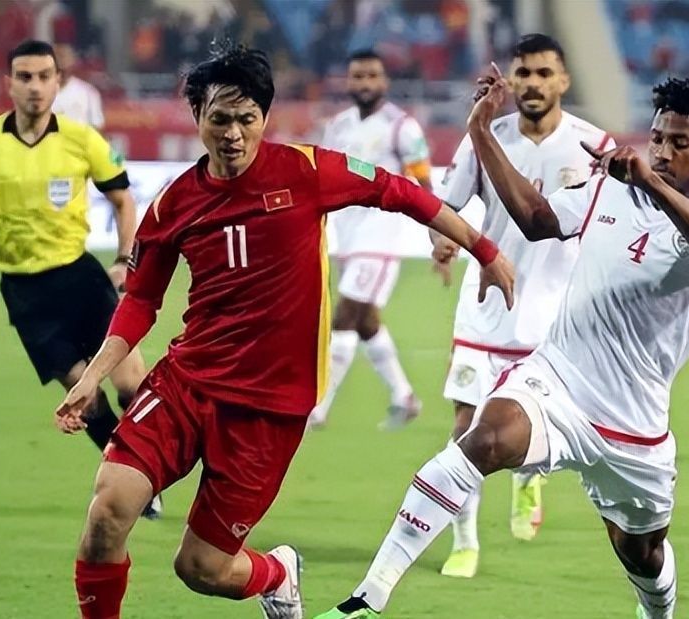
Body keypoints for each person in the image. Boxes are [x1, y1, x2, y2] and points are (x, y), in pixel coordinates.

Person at [55, 44, 514, 619]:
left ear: (264, 119)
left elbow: (399, 192)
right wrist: (95, 376)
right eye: (219, 118)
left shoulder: (308, 170)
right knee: (106, 512)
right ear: (197, 116)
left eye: (247, 119)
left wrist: (487, 250)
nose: (233, 134)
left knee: (201, 569)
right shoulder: (173, 203)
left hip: (268, 409)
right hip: (186, 383)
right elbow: (141, 300)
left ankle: (276, 573)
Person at [316, 73, 689, 619]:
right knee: (484, 438)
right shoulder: (606, 188)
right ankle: (367, 599)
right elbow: (536, 218)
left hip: (635, 424)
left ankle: (656, 613)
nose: (662, 152)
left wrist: (654, 185)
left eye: (679, 143)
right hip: (559, 383)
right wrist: (481, 133)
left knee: (641, 551)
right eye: (658, 138)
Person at [0, 40, 154, 514]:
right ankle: (132, 481)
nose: (35, 87)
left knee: (133, 384)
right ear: (9, 84)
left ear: (59, 82)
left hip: (82, 280)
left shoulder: (82, 139)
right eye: (25, 77)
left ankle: (151, 468)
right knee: (87, 397)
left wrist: (125, 258)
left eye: (44, 76)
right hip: (25, 292)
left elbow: (123, 199)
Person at [432, 33, 614, 579]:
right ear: (509, 80)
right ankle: (464, 543)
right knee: (466, 431)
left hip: (551, 324)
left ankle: (528, 476)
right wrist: (445, 242)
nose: (532, 83)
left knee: (525, 428)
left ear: (563, 81)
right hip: (484, 311)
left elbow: (608, 222)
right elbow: (446, 208)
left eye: (543, 73)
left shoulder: (591, 145)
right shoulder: (484, 136)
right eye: (523, 73)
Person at [309, 49, 434, 431]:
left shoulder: (402, 127)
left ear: (385, 82)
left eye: (371, 76)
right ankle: (405, 397)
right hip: (346, 236)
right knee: (365, 321)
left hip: (381, 236)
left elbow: (424, 180)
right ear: (348, 82)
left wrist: (436, 231)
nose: (364, 83)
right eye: (357, 76)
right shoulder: (338, 127)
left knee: (345, 316)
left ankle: (317, 408)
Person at [52, 43, 105, 129]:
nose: (61, 62)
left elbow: (97, 126)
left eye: (64, 57)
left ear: (73, 61)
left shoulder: (88, 92)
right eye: (57, 57)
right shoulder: (39, 91)